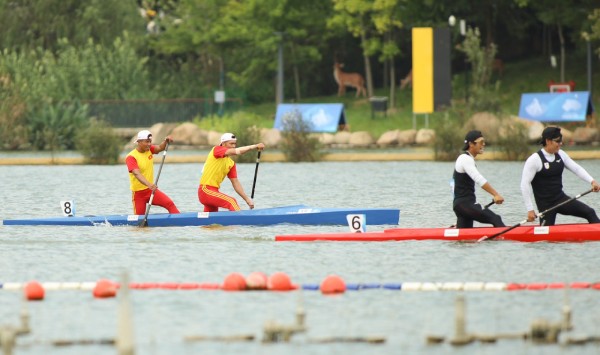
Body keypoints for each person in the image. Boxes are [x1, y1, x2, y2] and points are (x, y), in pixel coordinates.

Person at [520, 126, 600, 226]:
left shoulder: (561, 155)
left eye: (561, 140)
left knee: (590, 212)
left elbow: (576, 169)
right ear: (548, 141)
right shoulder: (534, 160)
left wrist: (592, 181)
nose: (560, 143)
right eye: (557, 141)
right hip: (546, 206)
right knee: (546, 238)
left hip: (561, 200)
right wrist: (530, 209)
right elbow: (524, 184)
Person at [198, 133, 265, 212]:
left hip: (214, 192)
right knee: (231, 201)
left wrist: (247, 199)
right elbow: (237, 151)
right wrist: (254, 146)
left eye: (234, 144)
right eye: (231, 143)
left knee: (210, 221)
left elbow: (235, 183)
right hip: (205, 190)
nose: (233, 146)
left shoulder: (231, 163)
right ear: (223, 143)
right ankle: (240, 220)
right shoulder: (216, 150)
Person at [453, 130, 506, 228]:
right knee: (496, 218)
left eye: (484, 142)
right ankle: (509, 241)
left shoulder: (466, 159)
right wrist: (496, 194)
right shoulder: (465, 159)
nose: (484, 144)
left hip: (462, 205)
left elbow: (453, 184)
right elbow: (479, 179)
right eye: (481, 142)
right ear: (471, 144)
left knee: (465, 239)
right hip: (466, 204)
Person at [125, 130, 180, 215]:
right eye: (147, 142)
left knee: (170, 204)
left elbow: (160, 148)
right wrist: (149, 184)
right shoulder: (131, 157)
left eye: (150, 141)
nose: (149, 144)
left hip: (150, 191)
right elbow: (136, 173)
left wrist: (166, 141)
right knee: (139, 219)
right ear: (139, 142)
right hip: (138, 194)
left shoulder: (149, 149)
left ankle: (179, 223)